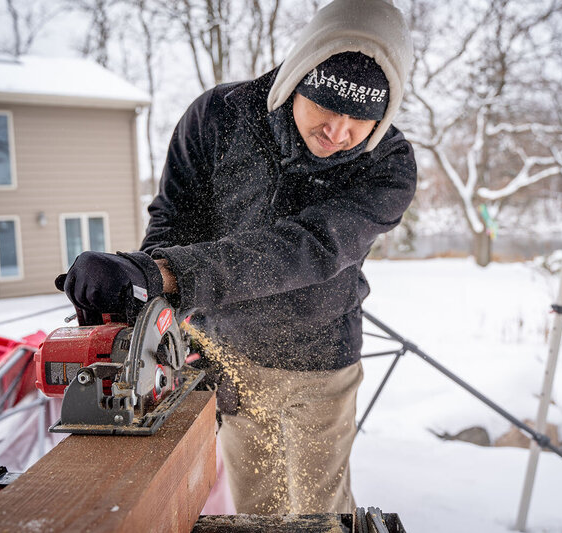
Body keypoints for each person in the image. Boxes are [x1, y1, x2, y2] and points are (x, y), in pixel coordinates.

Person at [60, 0, 415, 516]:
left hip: (320, 367)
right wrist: (142, 287)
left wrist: (168, 274)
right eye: (326, 106)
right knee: (258, 513)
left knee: (321, 514)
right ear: (297, 77)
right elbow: (174, 220)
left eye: (361, 117)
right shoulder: (218, 118)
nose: (339, 131)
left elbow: (310, 248)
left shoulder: (388, 164)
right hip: (233, 358)